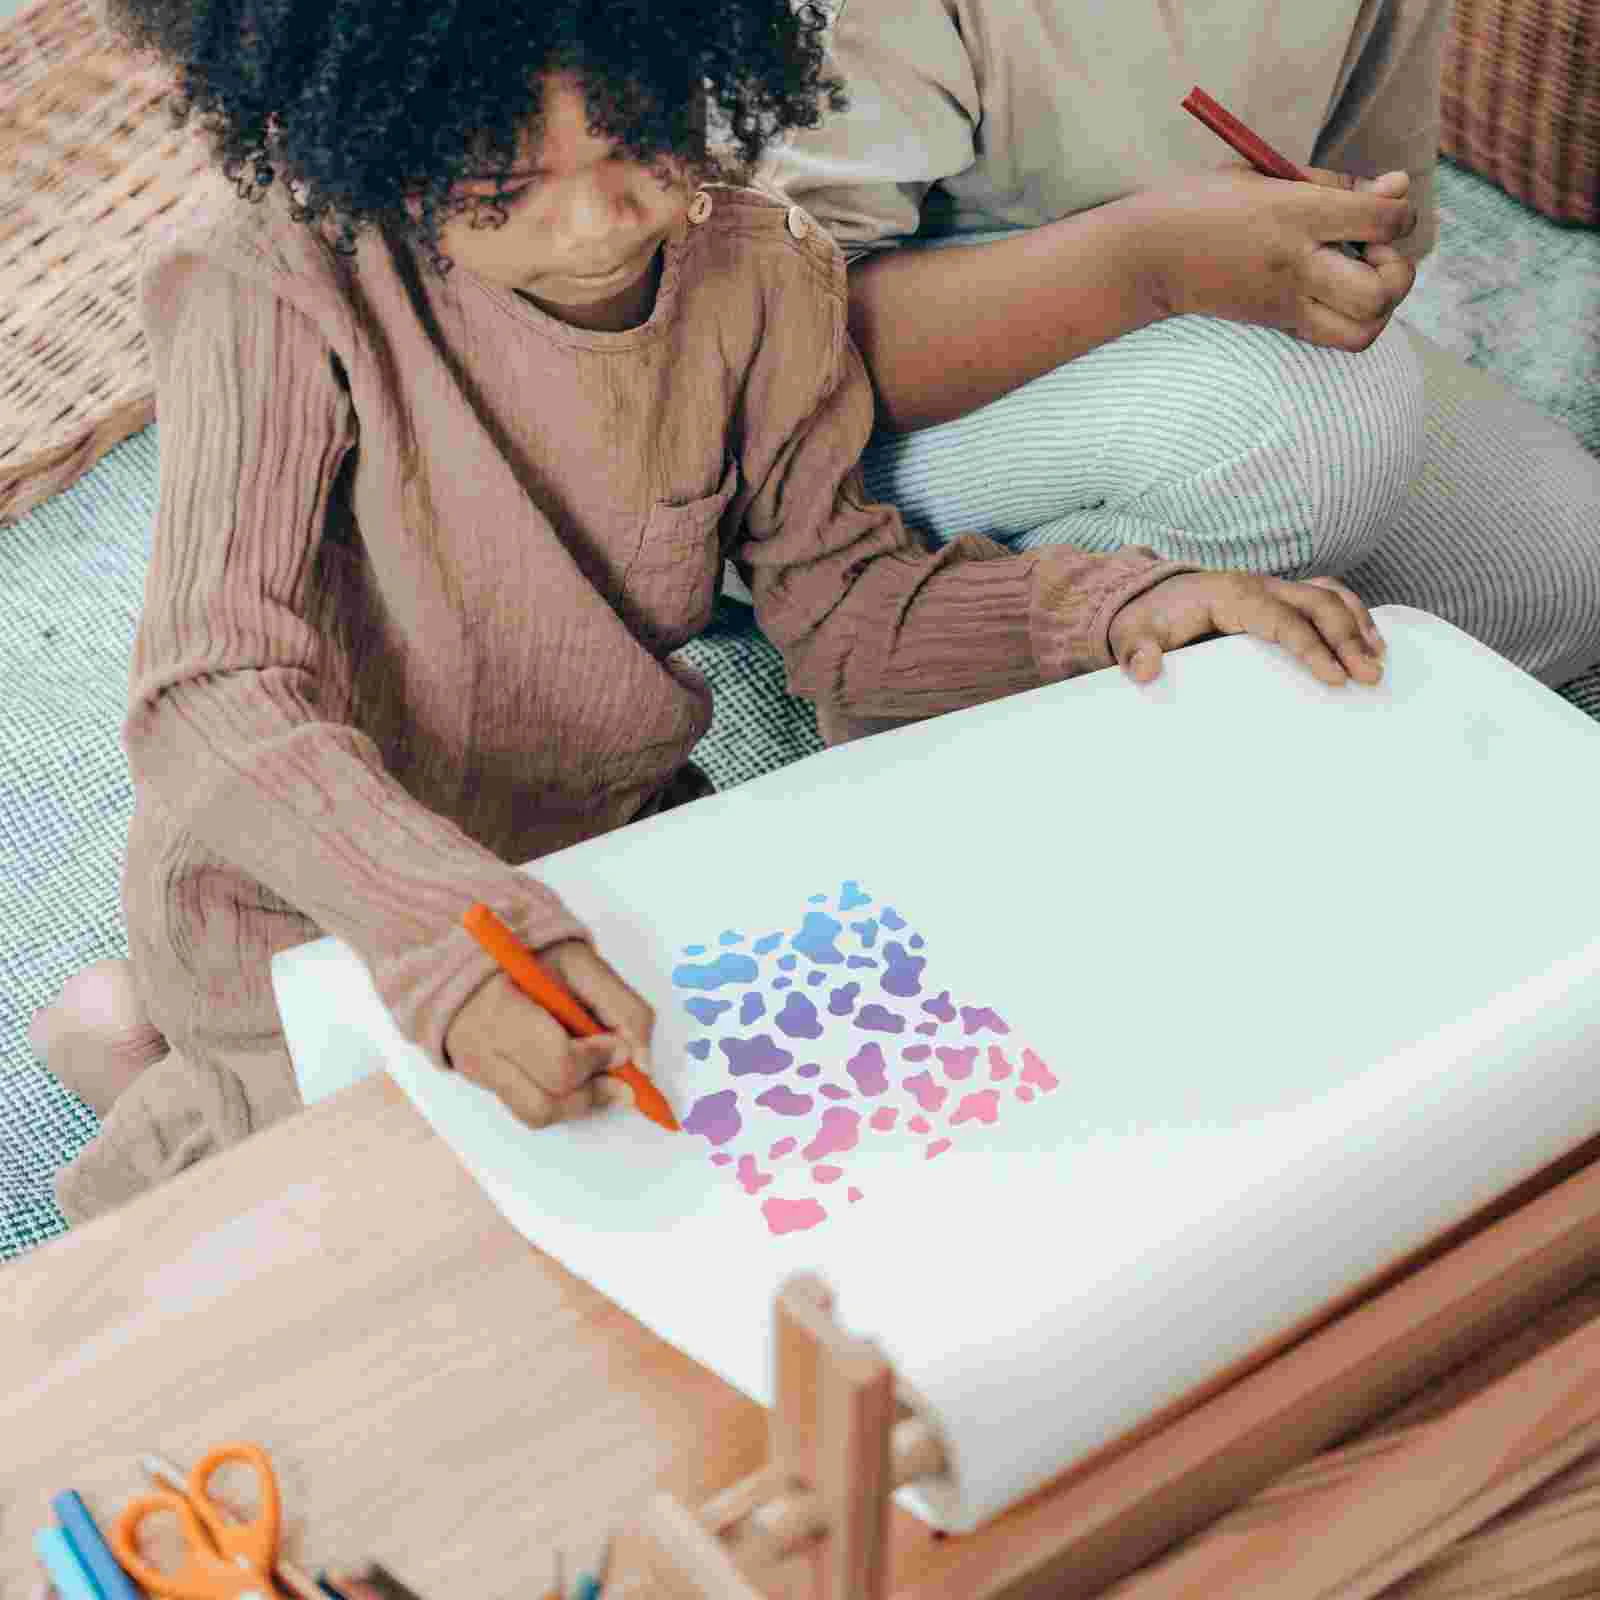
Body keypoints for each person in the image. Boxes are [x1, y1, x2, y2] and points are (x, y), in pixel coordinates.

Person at [31, 0, 1389, 1223]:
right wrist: (447, 943)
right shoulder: (271, 291)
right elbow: (209, 693)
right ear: (377, 143)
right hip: (317, 891)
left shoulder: (761, 272)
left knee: (698, 1164)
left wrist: (1123, 603)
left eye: (637, 145)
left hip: (606, 848)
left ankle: (146, 1042)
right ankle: (158, 1065)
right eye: (504, 188)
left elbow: (851, 612)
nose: (595, 223)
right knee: (393, 1236)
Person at [758, 0, 1600, 689]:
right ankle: (908, 638)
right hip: (831, 414)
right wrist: (1151, 267)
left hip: (1186, 353)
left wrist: (1344, 259)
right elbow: (765, 359)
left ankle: (1180, 637)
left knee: (1564, 575)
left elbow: (1368, 209)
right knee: (1312, 433)